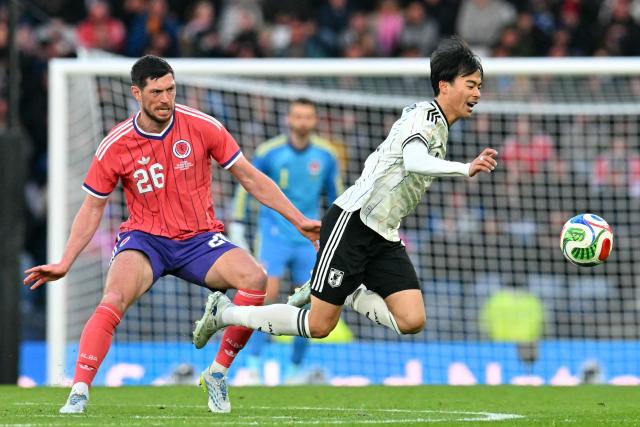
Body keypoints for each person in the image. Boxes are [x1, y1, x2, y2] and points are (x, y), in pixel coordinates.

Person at [23, 55, 320, 414]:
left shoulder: (202, 125)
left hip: (199, 239)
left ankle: (217, 373)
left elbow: (249, 175)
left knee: (255, 278)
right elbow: (92, 208)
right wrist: (66, 261)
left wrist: (298, 219)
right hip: (146, 240)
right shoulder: (116, 144)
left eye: (171, 89)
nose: (166, 99)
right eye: (157, 92)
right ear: (137, 93)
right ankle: (79, 391)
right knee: (113, 297)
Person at [191, 37, 497, 355]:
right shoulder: (425, 119)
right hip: (354, 223)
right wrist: (466, 168)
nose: (477, 93)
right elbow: (413, 160)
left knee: (412, 319)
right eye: (471, 84)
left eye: (479, 86)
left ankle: (350, 291)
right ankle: (224, 313)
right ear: (444, 85)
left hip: (383, 234)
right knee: (320, 326)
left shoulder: (440, 127)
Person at [229, 98, 343, 384]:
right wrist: (238, 222)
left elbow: (336, 198)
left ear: (314, 120)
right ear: (289, 120)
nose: (302, 121)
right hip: (273, 235)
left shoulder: (326, 156)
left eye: (308, 116)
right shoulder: (270, 152)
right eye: (298, 116)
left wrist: (341, 230)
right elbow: (246, 186)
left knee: (312, 303)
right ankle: (253, 366)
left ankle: (294, 370)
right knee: (264, 297)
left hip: (310, 239)